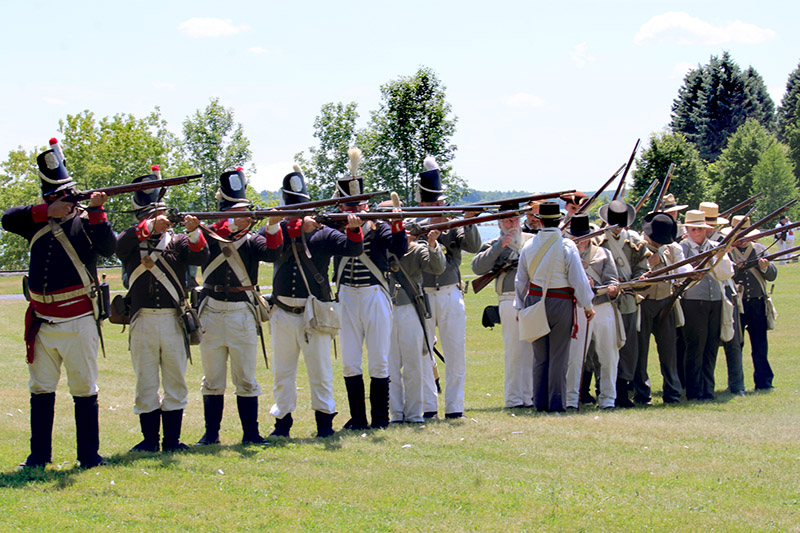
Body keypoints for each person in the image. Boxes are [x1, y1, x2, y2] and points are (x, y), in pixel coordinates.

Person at [2, 138, 115, 468]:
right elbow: (7, 218)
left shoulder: (86, 221)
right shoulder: (36, 221)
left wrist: (97, 211)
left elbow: (109, 247)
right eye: (51, 199)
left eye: (61, 198)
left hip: (78, 319)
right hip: (42, 319)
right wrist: (44, 212)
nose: (57, 203)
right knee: (40, 390)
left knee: (83, 389)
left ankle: (89, 456)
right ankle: (39, 456)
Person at [263, 166, 364, 438]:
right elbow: (268, 250)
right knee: (283, 374)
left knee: (320, 373)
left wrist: (355, 229)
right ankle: (282, 423)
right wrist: (283, 225)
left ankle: (324, 424)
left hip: (314, 313)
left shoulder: (322, 233)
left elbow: (353, 248)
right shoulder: (277, 230)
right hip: (283, 312)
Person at [116, 168, 209, 452]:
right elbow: (119, 247)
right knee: (146, 380)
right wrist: (148, 229)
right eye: (152, 217)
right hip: (142, 318)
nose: (160, 221)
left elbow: (200, 255)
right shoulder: (132, 240)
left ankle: (171, 440)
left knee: (175, 380)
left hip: (172, 318)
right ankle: (148, 441)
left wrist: (194, 232)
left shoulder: (178, 241)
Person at [195, 168, 277, 446]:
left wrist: (274, 225)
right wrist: (230, 226)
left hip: (242, 312)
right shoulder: (209, 234)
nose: (245, 217)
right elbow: (199, 248)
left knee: (246, 378)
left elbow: (273, 252)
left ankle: (251, 433)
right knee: (213, 379)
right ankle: (211, 434)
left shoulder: (253, 239)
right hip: (212, 310)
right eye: (238, 212)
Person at [333, 149, 407, 430]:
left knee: (379, 360)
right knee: (350, 361)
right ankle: (358, 418)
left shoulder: (377, 225)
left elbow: (398, 248)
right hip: (347, 296)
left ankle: (379, 419)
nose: (355, 211)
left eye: (358, 205)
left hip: (375, 293)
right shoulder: (335, 226)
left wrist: (396, 223)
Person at [514, 201, 595, 412]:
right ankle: (556, 403)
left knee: (540, 356)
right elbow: (578, 279)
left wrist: (519, 307)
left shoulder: (528, 246)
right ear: (560, 221)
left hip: (533, 301)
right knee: (559, 355)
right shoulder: (567, 246)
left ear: (539, 221)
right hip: (560, 301)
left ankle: (539, 402)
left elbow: (521, 281)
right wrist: (587, 305)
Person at [417, 156, 482, 419]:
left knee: (455, 353)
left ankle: (455, 407)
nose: (438, 206)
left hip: (450, 294)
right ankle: (428, 406)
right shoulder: (415, 225)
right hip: (423, 296)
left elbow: (474, 246)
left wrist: (468, 220)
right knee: (423, 352)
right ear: (423, 204)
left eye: (440, 202)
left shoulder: (453, 224)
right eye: (433, 203)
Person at [471, 214, 534, 408]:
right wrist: (500, 246)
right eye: (507, 221)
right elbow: (477, 267)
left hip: (532, 299)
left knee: (531, 350)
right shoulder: (493, 244)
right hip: (508, 297)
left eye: (515, 220)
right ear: (499, 223)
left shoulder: (531, 241)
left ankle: (530, 396)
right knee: (514, 351)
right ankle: (514, 399)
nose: (512, 224)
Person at [387, 224, 445, 423]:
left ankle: (413, 412)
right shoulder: (382, 247)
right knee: (390, 365)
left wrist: (432, 244)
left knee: (413, 364)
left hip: (410, 308)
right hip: (386, 309)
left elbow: (437, 268)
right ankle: (395, 412)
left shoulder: (418, 249)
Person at [596, 200, 650, 407]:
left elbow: (642, 267)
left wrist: (635, 282)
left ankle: (623, 391)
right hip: (605, 300)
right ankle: (605, 389)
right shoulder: (598, 242)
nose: (617, 228)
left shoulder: (635, 240)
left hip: (627, 299)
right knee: (605, 347)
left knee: (628, 347)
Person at [634, 212, 691, 405]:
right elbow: (629, 277)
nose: (659, 243)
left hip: (667, 302)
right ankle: (642, 394)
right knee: (641, 353)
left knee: (669, 352)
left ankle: (672, 392)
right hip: (643, 302)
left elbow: (682, 272)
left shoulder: (670, 249)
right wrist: (649, 264)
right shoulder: (637, 248)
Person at [564, 215, 620, 410]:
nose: (581, 241)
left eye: (584, 236)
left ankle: (608, 399)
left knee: (608, 355)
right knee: (575, 356)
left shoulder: (603, 253)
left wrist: (611, 287)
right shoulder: (566, 254)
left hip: (602, 305)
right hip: (577, 307)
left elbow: (613, 279)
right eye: (576, 237)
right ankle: (571, 399)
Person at [679, 208, 733, 400]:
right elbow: (684, 272)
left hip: (715, 300)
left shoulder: (716, 246)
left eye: (699, 229)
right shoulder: (682, 248)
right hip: (693, 302)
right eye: (693, 229)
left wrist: (719, 256)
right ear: (687, 230)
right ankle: (694, 391)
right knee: (695, 346)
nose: (696, 233)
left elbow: (726, 273)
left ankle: (708, 390)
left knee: (711, 346)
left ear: (705, 230)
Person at [728, 216, 778, 390]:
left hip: (757, 303)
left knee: (760, 345)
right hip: (736, 305)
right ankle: (736, 384)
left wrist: (764, 267)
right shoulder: (728, 251)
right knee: (736, 347)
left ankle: (764, 383)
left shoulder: (759, 249)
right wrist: (735, 267)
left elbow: (772, 275)